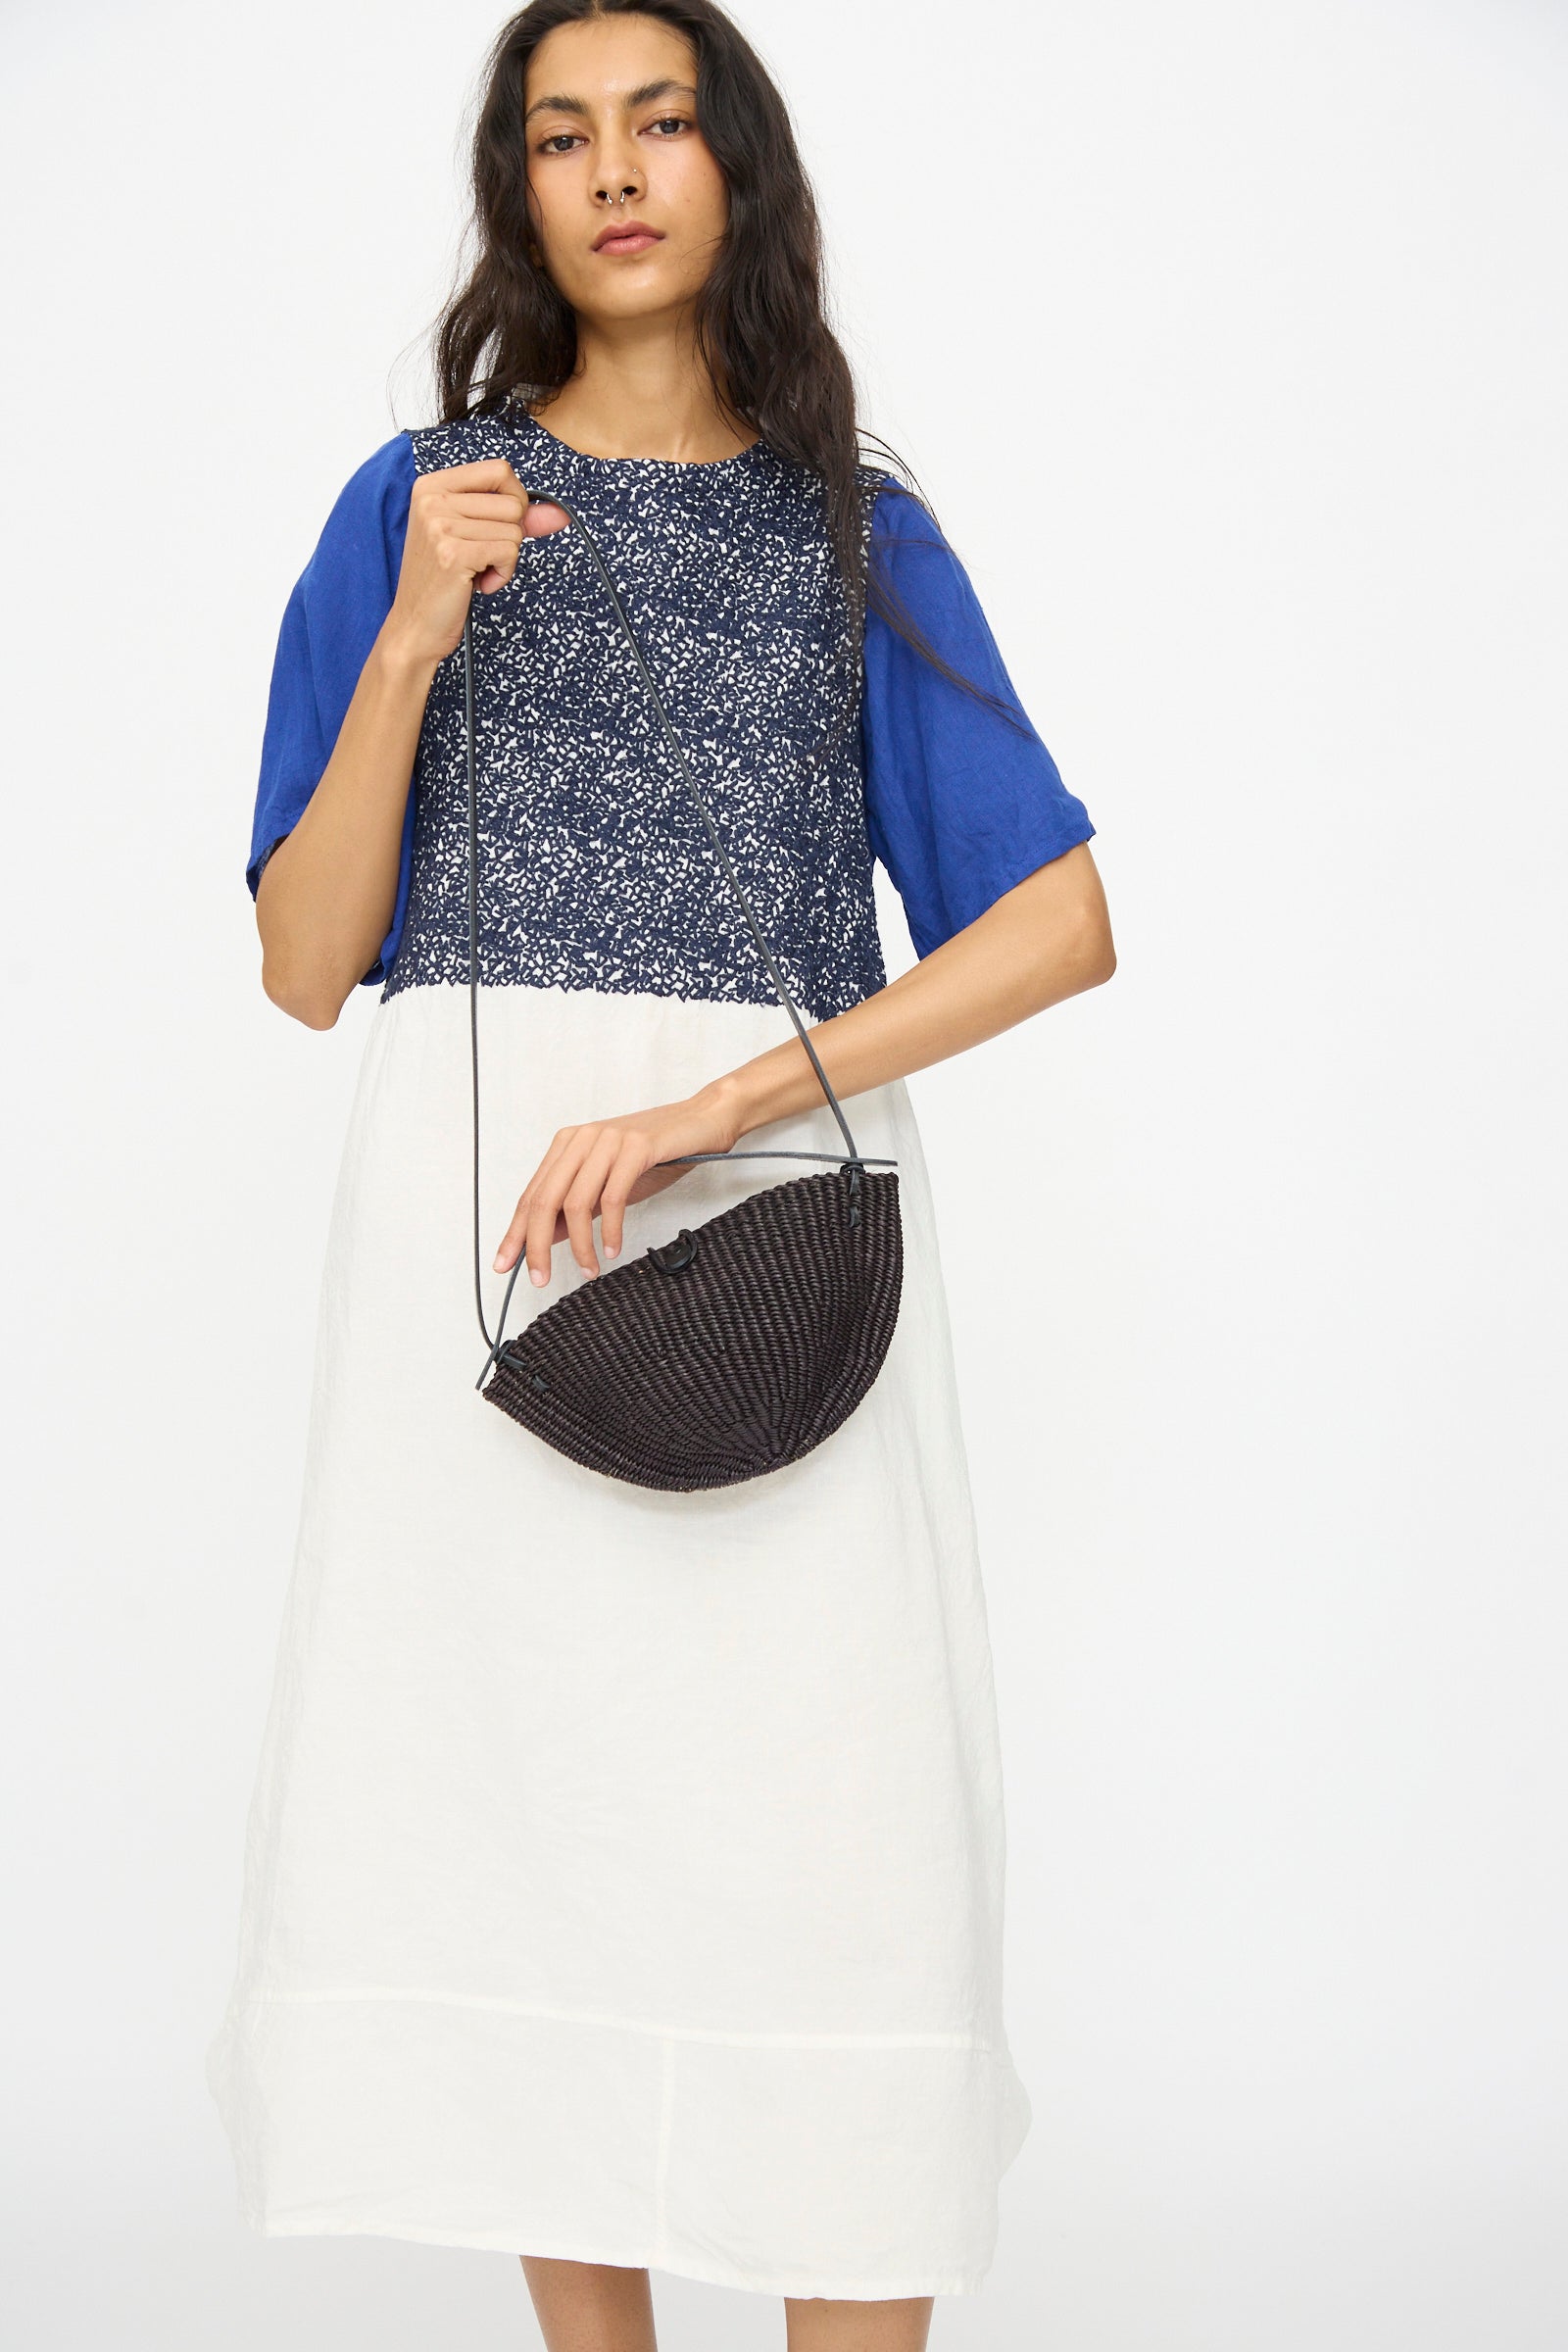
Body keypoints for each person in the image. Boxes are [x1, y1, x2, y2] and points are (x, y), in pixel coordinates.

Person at [204, 4, 1116, 2347]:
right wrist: (419, 626)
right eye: (558, 137)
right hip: (482, 1241)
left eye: (660, 122)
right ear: (517, 195)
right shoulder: (410, 504)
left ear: (736, 170)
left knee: (842, 1857)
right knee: (533, 1840)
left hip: (767, 1222)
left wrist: (722, 1101)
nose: (613, 171)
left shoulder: (855, 525)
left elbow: (1055, 917)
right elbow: (311, 967)